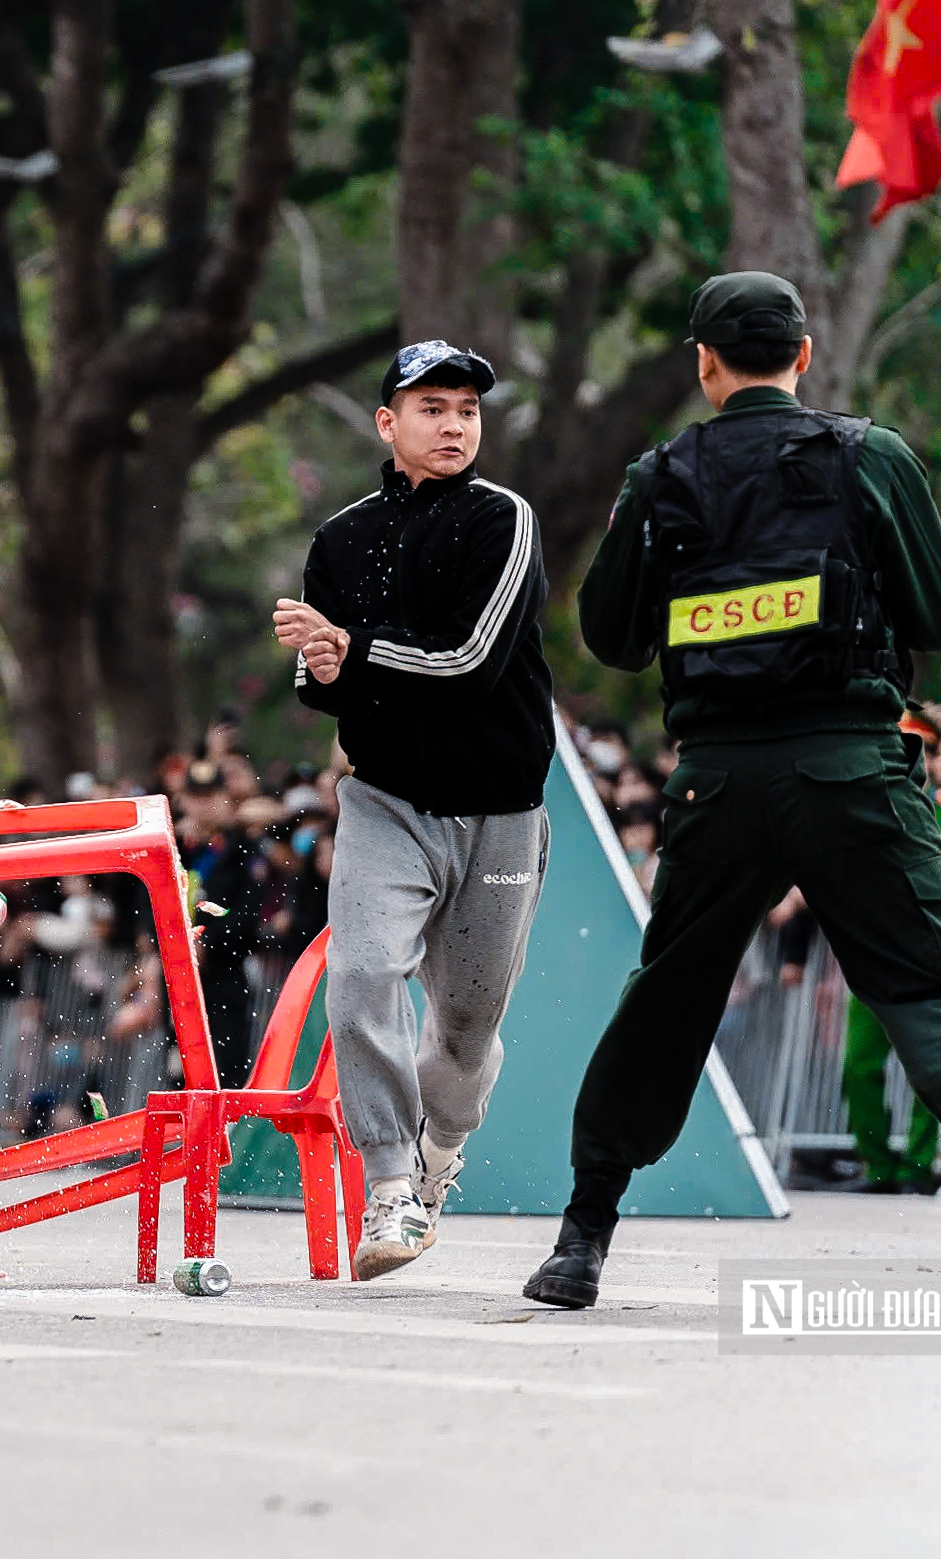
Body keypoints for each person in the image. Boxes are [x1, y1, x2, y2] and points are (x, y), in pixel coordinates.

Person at [530, 272, 941, 1309]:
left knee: (667, 997)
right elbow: (935, 615)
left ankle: (582, 1235)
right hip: (853, 768)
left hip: (716, 784)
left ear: (703, 365)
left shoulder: (659, 477)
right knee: (934, 982)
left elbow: (613, 642)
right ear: (803, 353)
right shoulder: (868, 456)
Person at [273, 340, 555, 1280]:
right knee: (359, 979)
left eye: (467, 410)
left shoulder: (503, 520)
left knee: (468, 1028)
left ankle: (438, 1158)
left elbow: (469, 663)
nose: (454, 425)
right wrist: (318, 662)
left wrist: (347, 650)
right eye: (432, 408)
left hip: (502, 811)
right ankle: (389, 1181)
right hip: (384, 802)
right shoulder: (339, 539)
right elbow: (323, 691)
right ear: (387, 423)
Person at [840, 717, 941, 1194]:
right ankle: (877, 1165)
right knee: (857, 1065)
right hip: (871, 959)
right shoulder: (861, 811)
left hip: (925, 962)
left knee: (927, 1070)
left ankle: (917, 1166)